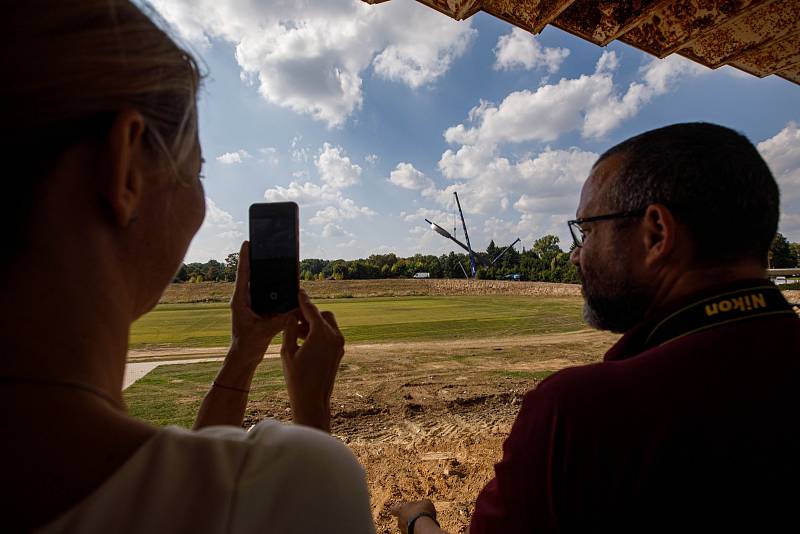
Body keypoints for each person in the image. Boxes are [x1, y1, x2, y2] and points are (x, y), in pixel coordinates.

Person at [0, 1, 374, 532]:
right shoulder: (293, 480)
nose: (200, 206)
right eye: (195, 173)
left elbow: (194, 472)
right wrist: (311, 413)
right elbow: (208, 491)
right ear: (125, 167)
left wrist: (244, 352)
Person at [391, 122, 800, 533]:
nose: (575, 255)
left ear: (656, 233)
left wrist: (418, 521)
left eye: (586, 231)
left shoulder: (579, 414)